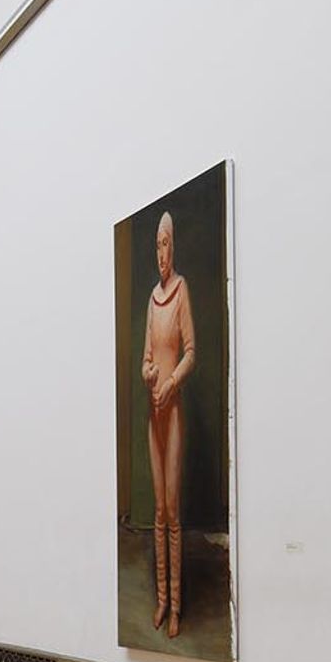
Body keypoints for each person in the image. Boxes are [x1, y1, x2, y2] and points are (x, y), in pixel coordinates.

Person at [140, 212, 194, 637]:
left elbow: (190, 351)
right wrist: (148, 374)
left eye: (166, 243)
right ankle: (160, 600)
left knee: (173, 513)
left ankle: (177, 604)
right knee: (158, 512)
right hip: (151, 414)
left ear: (173, 247)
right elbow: (146, 358)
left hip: (171, 412)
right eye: (156, 244)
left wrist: (171, 382)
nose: (161, 252)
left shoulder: (180, 292)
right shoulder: (151, 301)